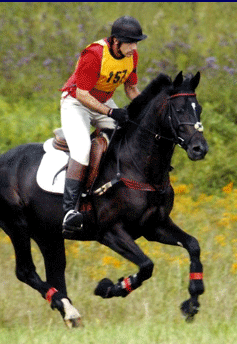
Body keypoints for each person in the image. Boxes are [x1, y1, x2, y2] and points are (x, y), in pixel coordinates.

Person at [60, 16, 148, 234]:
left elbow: (131, 90)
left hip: (102, 101)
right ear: (116, 41)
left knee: (128, 135)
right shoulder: (94, 55)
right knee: (81, 151)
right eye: (131, 42)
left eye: (137, 43)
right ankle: (69, 211)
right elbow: (81, 93)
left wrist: (148, 106)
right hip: (76, 102)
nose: (135, 47)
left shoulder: (131, 56)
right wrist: (110, 112)